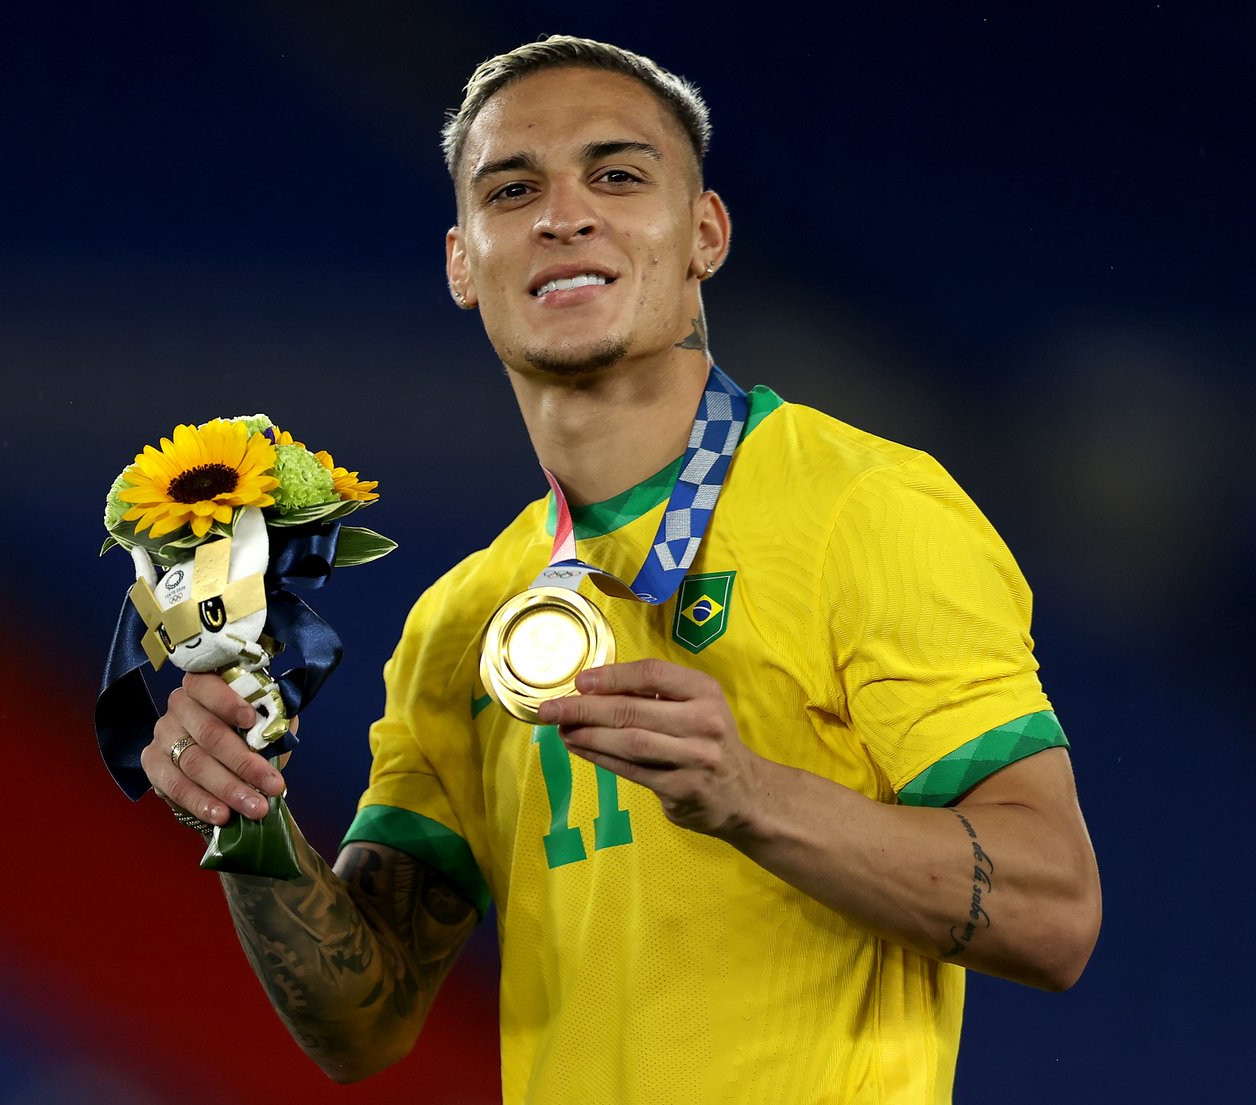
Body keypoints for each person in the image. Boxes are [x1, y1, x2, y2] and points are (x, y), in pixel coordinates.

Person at [141, 35, 1101, 1105]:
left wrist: (746, 794)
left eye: (617, 174)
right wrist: (248, 814)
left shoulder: (866, 507)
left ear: (704, 234)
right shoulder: (462, 621)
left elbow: (1053, 911)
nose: (563, 213)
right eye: (513, 189)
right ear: (463, 261)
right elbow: (361, 1022)